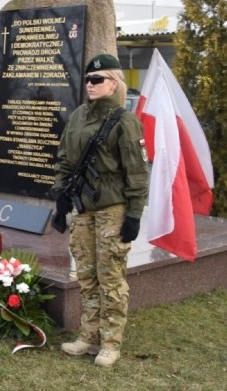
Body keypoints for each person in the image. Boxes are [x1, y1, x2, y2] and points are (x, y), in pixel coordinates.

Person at [53, 54, 148, 367]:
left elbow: (136, 172)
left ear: (114, 83)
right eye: (88, 80)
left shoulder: (124, 121)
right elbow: (65, 160)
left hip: (112, 209)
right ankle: (88, 337)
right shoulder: (79, 116)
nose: (90, 85)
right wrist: (60, 198)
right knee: (86, 275)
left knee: (111, 278)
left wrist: (134, 214)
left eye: (97, 80)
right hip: (84, 210)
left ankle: (110, 342)